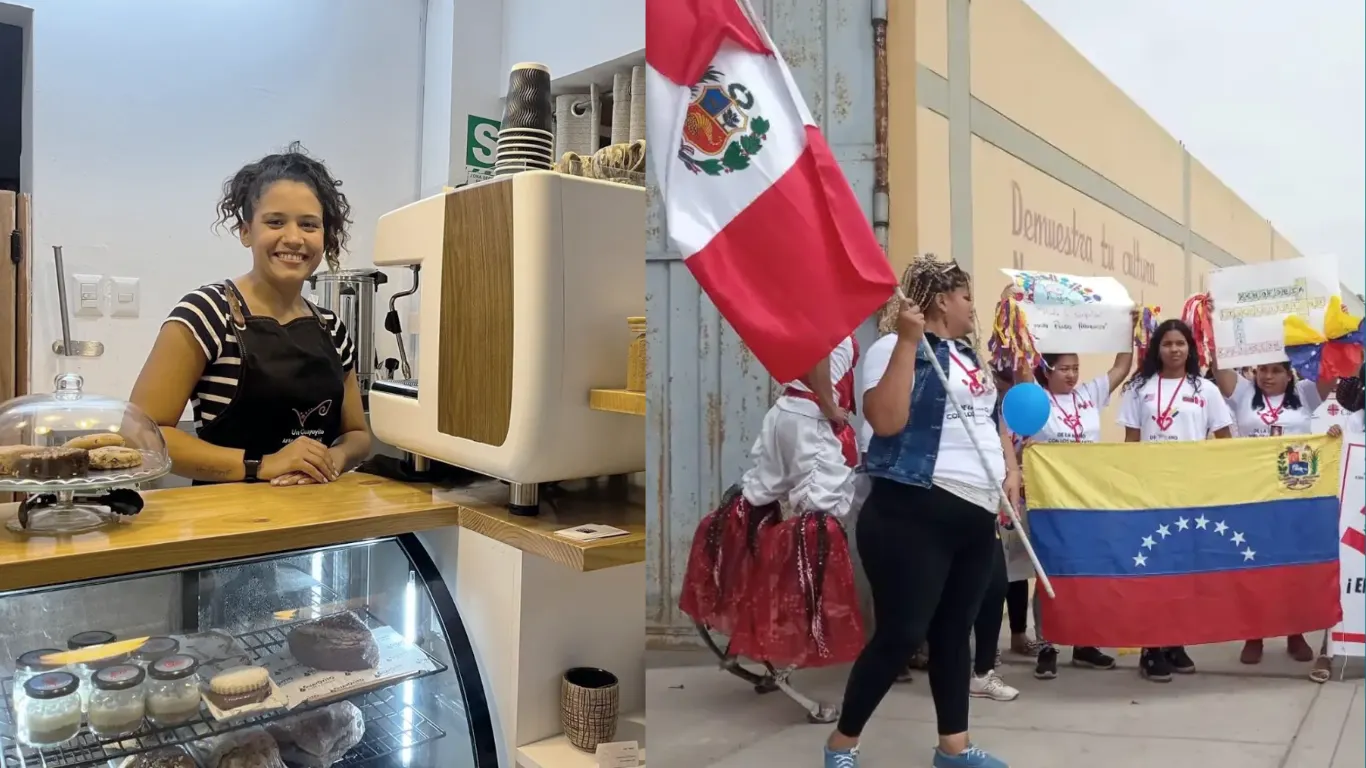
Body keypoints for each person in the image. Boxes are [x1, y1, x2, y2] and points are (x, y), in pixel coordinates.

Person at [825, 255, 1016, 768]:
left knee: (955, 634)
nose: (973, 307)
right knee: (903, 633)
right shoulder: (895, 347)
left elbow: (987, 425)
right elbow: (885, 421)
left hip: (974, 515)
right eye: (967, 296)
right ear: (941, 301)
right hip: (912, 510)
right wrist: (909, 340)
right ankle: (842, 742)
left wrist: (1008, 474)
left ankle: (953, 746)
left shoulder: (970, 359)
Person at [131, 143, 371, 486]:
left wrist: (331, 459)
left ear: (324, 235)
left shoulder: (332, 328)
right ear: (247, 231)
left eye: (309, 225)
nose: (293, 238)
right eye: (275, 222)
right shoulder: (206, 314)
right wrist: (260, 465)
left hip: (318, 519)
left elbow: (357, 435)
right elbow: (142, 436)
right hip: (228, 526)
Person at [1117, 318, 1233, 682]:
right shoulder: (1139, 388)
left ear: (1190, 348)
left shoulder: (1206, 390)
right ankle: (1151, 648)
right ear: (1157, 349)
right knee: (1154, 570)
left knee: (1184, 571)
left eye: (1180, 343)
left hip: (1190, 492)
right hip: (1152, 493)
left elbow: (1225, 440)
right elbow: (1131, 442)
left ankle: (1175, 642)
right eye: (1167, 343)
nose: (1174, 349)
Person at [1024, 337, 1136, 679]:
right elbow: (1019, 367)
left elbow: (1121, 367)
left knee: (1087, 572)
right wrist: (1012, 314)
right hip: (1051, 502)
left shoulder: (1088, 395)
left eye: (1075, 368)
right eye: (1064, 368)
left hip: (1089, 501)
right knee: (1050, 575)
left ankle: (1084, 643)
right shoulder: (1037, 398)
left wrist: (1125, 330)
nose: (1072, 375)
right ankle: (1048, 644)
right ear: (1047, 369)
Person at [1211, 360, 1337, 665]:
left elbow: (1332, 368)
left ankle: (1295, 633)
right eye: (1262, 369)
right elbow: (1217, 365)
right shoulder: (1243, 392)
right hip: (1252, 494)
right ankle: (1254, 634)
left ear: (1289, 373)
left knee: (1292, 567)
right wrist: (1210, 319)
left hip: (1295, 494)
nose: (1267, 376)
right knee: (1253, 564)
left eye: (1276, 370)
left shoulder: (1306, 392)